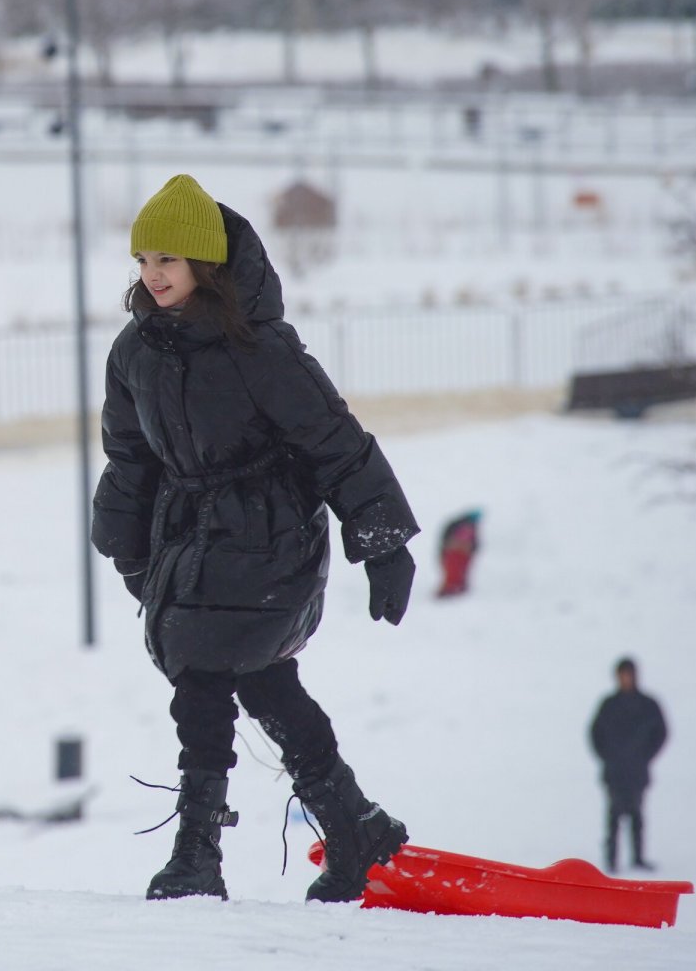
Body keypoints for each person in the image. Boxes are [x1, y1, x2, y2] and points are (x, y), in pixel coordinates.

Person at [92, 174, 421, 904]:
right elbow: (129, 455)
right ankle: (352, 823)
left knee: (204, 678)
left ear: (204, 266)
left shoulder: (259, 349)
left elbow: (335, 441)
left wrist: (384, 542)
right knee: (263, 679)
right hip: (191, 537)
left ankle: (197, 850)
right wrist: (127, 548)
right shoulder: (134, 351)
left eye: (169, 260)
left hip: (270, 532)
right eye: (144, 258)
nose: (153, 273)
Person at [589, 657, 668, 874]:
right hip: (614, 772)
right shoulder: (609, 705)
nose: (625, 678)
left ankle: (638, 858)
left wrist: (644, 756)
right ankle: (611, 859)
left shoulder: (648, 705)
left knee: (636, 814)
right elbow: (595, 735)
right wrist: (608, 757)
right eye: (622, 674)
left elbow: (660, 733)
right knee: (613, 816)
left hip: (637, 771)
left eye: (629, 674)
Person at [437, 509, 481, 598]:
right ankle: (449, 589)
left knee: (461, 571)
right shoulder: (456, 525)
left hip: (463, 555)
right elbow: (446, 539)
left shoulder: (471, 527)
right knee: (453, 571)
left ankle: (458, 587)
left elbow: (474, 543)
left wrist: (470, 550)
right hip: (453, 553)